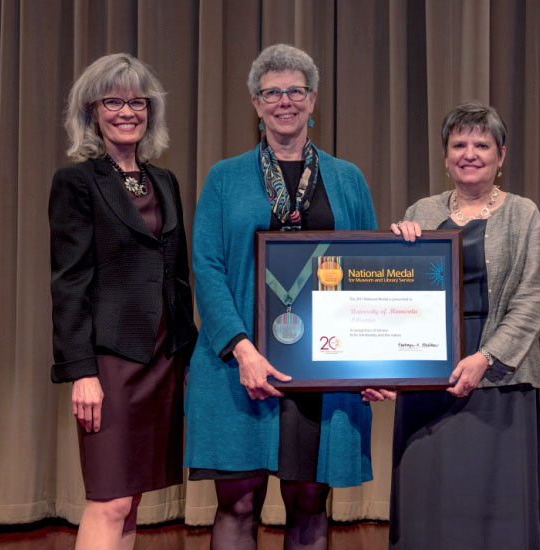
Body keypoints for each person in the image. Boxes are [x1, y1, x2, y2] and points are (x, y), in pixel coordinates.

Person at [184, 44, 377, 550]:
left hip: (322, 370)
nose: (284, 101)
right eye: (272, 92)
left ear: (313, 100)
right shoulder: (224, 178)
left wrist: (372, 362)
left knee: (310, 502)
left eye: (295, 91)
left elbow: (366, 272)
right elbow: (206, 267)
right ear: (255, 103)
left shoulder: (347, 179)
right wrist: (242, 349)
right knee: (238, 503)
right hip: (237, 365)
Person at [366, 102, 540, 549]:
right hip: (428, 385)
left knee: (498, 515)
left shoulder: (523, 215)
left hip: (500, 384)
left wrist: (485, 360)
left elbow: (531, 300)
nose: (470, 153)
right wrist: (399, 252)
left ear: (501, 155)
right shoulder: (421, 212)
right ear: (445, 157)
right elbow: (396, 298)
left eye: (482, 144)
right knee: (429, 511)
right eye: (459, 144)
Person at [48, 53, 197, 550]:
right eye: (114, 100)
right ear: (93, 111)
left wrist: (189, 353)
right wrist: (81, 371)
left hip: (163, 359)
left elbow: (176, 276)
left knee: (131, 499)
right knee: (109, 499)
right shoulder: (77, 182)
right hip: (111, 362)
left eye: (137, 101)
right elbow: (69, 282)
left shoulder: (164, 181)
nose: (127, 111)